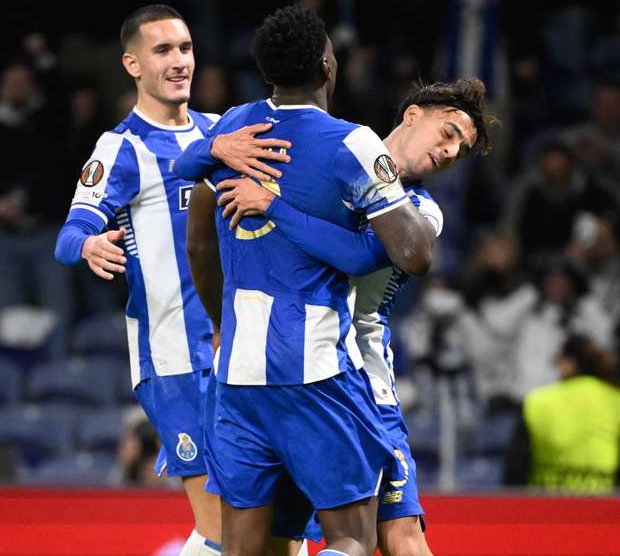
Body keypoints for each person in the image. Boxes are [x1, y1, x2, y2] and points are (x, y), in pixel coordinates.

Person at [177, 5, 437, 556]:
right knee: (351, 538)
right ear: (326, 64)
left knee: (245, 548)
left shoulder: (232, 128)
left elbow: (198, 243)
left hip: (237, 376)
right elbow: (413, 254)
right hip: (316, 371)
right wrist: (286, 212)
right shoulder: (353, 143)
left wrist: (221, 322)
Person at [200, 78, 490, 556]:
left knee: (399, 536)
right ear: (413, 113)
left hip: (359, 383)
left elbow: (352, 256)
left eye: (461, 149)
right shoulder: (331, 166)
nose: (451, 151)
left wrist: (274, 206)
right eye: (450, 132)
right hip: (284, 376)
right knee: (279, 541)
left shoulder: (419, 214)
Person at [53, 4, 286, 556]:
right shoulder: (122, 148)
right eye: (162, 51)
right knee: (220, 529)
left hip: (244, 352)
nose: (179, 61)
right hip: (177, 361)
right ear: (132, 64)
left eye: (184, 48)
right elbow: (68, 236)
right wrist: (90, 243)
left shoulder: (219, 131)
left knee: (272, 526)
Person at [504, 334, 620, 494]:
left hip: (547, 506)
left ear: (567, 364)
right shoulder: (615, 401)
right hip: (603, 506)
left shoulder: (537, 401)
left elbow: (515, 470)